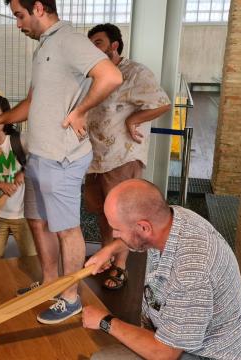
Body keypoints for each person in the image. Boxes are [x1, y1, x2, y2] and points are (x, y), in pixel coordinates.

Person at [0, 0, 122, 324]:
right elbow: (31, 101)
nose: (18, 24)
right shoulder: (44, 46)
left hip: (62, 157)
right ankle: (51, 283)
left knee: (67, 230)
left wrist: (80, 111)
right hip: (40, 155)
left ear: (38, 8)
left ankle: (71, 298)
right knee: (38, 222)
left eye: (19, 16)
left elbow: (110, 77)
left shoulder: (69, 40)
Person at [82, 179, 241, 360]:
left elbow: (165, 353)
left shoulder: (191, 273)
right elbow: (139, 236)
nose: (114, 235)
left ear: (143, 227)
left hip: (203, 355)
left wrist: (105, 321)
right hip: (176, 339)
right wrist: (109, 250)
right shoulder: (174, 217)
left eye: (117, 229)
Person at [84, 23, 171, 292]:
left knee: (124, 217)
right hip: (93, 158)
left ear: (114, 45)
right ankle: (106, 255)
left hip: (122, 156)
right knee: (103, 213)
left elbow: (162, 102)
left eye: (98, 42)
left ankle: (120, 266)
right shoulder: (92, 74)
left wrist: (134, 118)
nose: (93, 48)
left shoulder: (135, 73)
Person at [0, 93, 37, 259]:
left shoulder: (20, 140)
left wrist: (24, 172)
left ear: (7, 116)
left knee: (33, 260)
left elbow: (44, 159)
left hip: (23, 215)